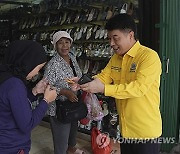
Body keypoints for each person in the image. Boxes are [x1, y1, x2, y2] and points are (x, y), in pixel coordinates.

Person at [75, 14, 162, 154]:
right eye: (109, 38)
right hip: (126, 130)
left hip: (146, 132)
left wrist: (103, 89)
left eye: (116, 38)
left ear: (130, 35)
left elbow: (138, 88)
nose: (111, 43)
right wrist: (84, 82)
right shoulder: (116, 58)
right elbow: (104, 76)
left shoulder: (148, 57)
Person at [0, 40, 57, 154]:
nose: (37, 73)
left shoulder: (6, 77)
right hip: (11, 146)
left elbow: (13, 105)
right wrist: (46, 101)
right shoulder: (15, 85)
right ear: (27, 62)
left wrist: (34, 91)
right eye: (38, 68)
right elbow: (27, 124)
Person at [43, 31, 84, 154]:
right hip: (59, 108)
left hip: (73, 103)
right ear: (55, 46)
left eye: (67, 42)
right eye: (60, 43)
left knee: (72, 131)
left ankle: (71, 149)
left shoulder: (72, 58)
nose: (64, 46)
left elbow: (78, 76)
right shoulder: (52, 64)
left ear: (71, 43)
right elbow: (46, 87)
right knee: (61, 138)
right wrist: (64, 91)